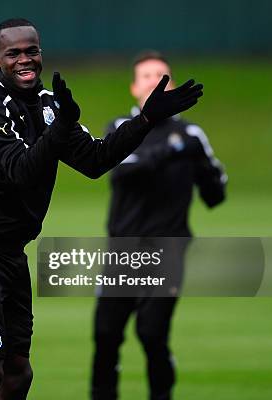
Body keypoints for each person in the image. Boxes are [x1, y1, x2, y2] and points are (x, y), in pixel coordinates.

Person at [0, 18, 203, 400]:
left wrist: (146, 119)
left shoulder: (47, 105)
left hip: (11, 252)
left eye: (32, 51)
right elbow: (19, 171)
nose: (24, 60)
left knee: (17, 375)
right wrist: (60, 128)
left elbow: (95, 160)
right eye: (13, 53)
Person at [91, 51, 227, 400]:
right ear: (135, 87)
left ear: (173, 86)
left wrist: (198, 162)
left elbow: (215, 193)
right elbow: (121, 170)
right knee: (106, 335)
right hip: (123, 249)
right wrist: (169, 150)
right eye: (147, 76)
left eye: (162, 75)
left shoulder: (190, 133)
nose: (155, 81)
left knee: (152, 333)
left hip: (168, 248)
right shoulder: (121, 128)